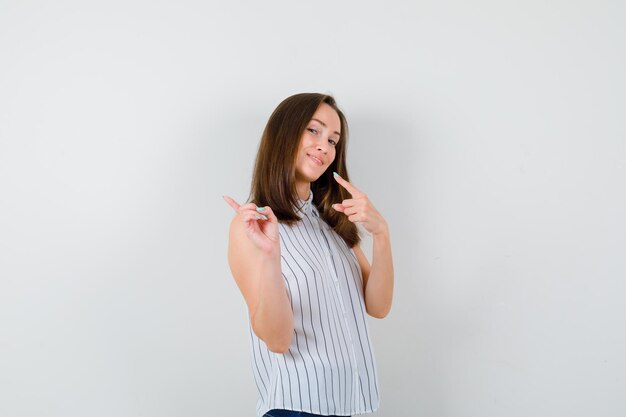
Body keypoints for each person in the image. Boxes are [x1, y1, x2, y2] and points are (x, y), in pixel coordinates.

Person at [223, 93, 394, 417]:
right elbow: (277, 340)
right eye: (313, 131)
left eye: (333, 140)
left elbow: (378, 306)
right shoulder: (253, 226)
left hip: (350, 403)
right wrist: (271, 256)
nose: (325, 147)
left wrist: (381, 234)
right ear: (285, 134)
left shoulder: (332, 221)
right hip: (297, 407)